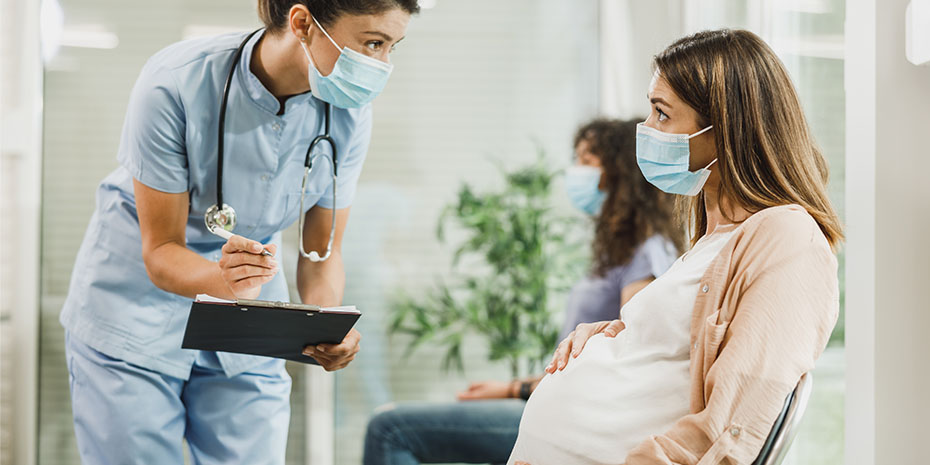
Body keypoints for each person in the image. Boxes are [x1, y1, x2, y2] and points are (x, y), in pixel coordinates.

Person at [59, 1, 418, 463]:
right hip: (135, 313)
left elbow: (320, 253)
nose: (381, 64)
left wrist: (329, 323)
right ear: (303, 23)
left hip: (249, 316)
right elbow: (162, 248)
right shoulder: (177, 81)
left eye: (392, 47)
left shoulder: (348, 113)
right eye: (372, 42)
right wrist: (224, 282)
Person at [507, 29, 844, 465]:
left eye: (661, 114)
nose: (645, 131)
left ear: (724, 126)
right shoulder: (712, 240)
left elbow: (734, 426)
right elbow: (679, 351)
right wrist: (612, 337)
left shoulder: (788, 239)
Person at [362, 118, 686, 465]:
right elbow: (574, 362)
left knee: (391, 430)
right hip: (556, 404)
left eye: (586, 161)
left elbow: (625, 359)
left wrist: (516, 390)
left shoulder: (647, 253)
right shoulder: (620, 252)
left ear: (620, 171)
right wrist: (510, 387)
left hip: (576, 417)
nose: (575, 173)